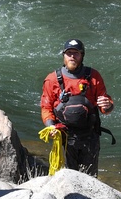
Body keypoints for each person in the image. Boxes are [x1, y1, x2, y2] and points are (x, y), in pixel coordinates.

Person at [40, 39, 114, 176]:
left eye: (76, 53)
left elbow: (105, 106)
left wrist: (108, 105)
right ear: (64, 55)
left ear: (82, 55)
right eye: (69, 53)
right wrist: (50, 125)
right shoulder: (52, 79)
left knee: (89, 177)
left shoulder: (93, 77)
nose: (72, 56)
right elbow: (46, 107)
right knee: (66, 176)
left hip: (89, 137)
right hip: (64, 137)